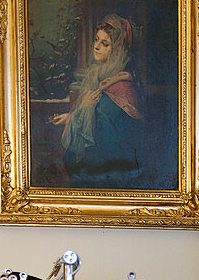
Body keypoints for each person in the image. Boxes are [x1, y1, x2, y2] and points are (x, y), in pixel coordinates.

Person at [51, 14, 143, 187]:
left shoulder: (122, 88)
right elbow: (92, 115)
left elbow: (105, 142)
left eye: (105, 44)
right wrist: (70, 116)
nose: (96, 47)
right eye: (96, 40)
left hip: (109, 173)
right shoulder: (99, 75)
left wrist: (85, 108)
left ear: (116, 49)